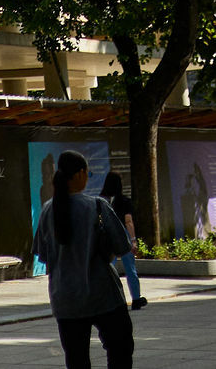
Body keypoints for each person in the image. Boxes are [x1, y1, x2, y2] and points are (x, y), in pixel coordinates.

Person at [33, 150, 134, 369]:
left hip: (65, 299)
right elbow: (122, 246)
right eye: (87, 173)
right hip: (102, 295)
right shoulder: (97, 206)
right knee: (120, 348)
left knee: (76, 359)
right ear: (79, 174)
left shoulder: (47, 210)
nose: (87, 177)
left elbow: (43, 255)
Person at [99, 172, 147, 311]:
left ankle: (107, 298)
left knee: (109, 267)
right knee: (130, 268)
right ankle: (136, 299)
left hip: (107, 235)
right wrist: (133, 240)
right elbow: (128, 221)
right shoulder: (124, 201)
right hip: (123, 234)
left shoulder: (100, 201)